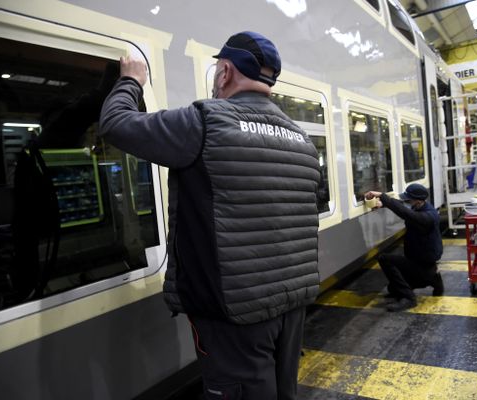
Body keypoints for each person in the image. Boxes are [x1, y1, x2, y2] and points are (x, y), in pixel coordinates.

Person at [99, 31, 321, 400]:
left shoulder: (205, 122)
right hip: (291, 304)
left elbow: (116, 124)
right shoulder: (301, 140)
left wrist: (130, 81)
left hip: (232, 314)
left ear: (226, 72)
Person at [364, 183, 444, 312]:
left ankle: (409, 299)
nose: (407, 201)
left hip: (421, 261)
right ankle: (434, 279)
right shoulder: (420, 207)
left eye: (409, 199)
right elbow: (403, 206)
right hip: (420, 260)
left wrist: (382, 196)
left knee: (384, 259)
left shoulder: (428, 216)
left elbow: (405, 213)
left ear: (417, 201)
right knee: (393, 288)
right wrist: (382, 204)